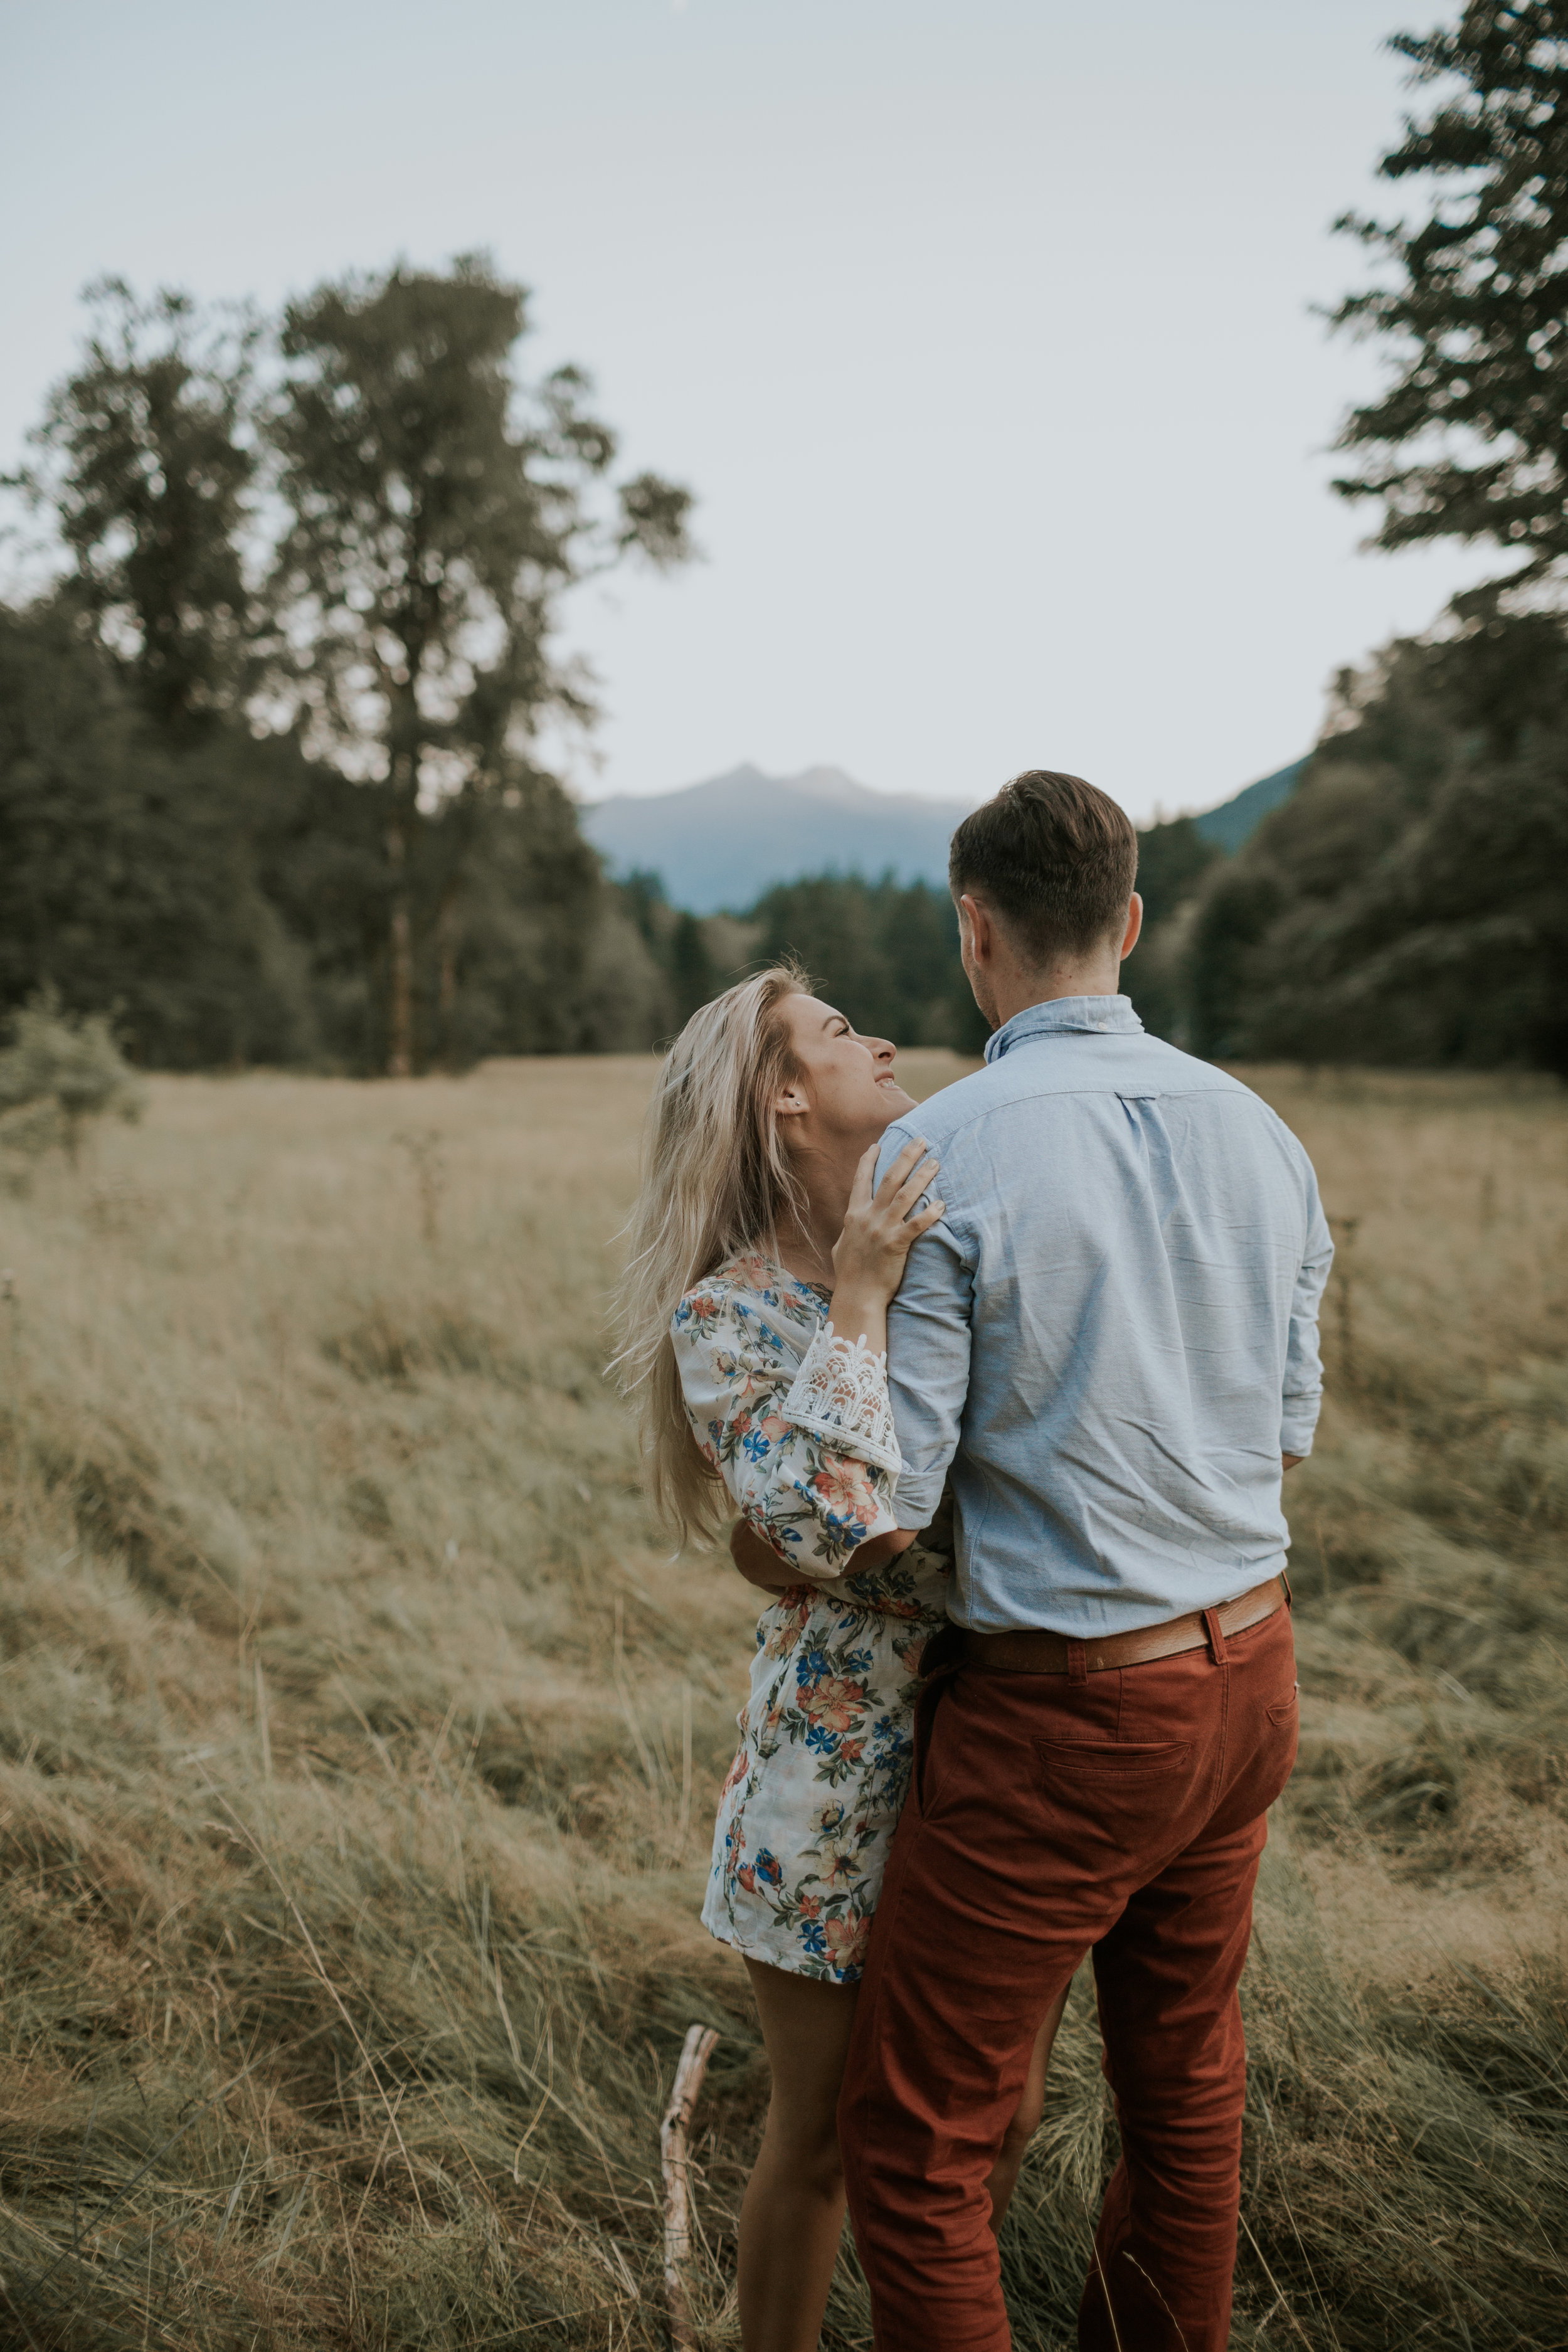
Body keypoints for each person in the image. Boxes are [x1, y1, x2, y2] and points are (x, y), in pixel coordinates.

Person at [835, 770, 1335, 2352]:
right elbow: (1280, 1440)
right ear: (1126, 921)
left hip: (1066, 1716)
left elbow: (888, 1501)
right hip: (1249, 1671)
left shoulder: (934, 1155)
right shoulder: (1264, 1135)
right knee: (1182, 2086)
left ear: (974, 932)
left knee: (917, 2150)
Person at [613, 965, 1065, 2352]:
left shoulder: (954, 1245)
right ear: (783, 1100)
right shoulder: (727, 1315)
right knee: (819, 2132)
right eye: (831, 1032)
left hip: (999, 1729)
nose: (878, 1038)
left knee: (1000, 2111)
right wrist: (857, 1298)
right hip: (831, 1763)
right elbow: (816, 1532)